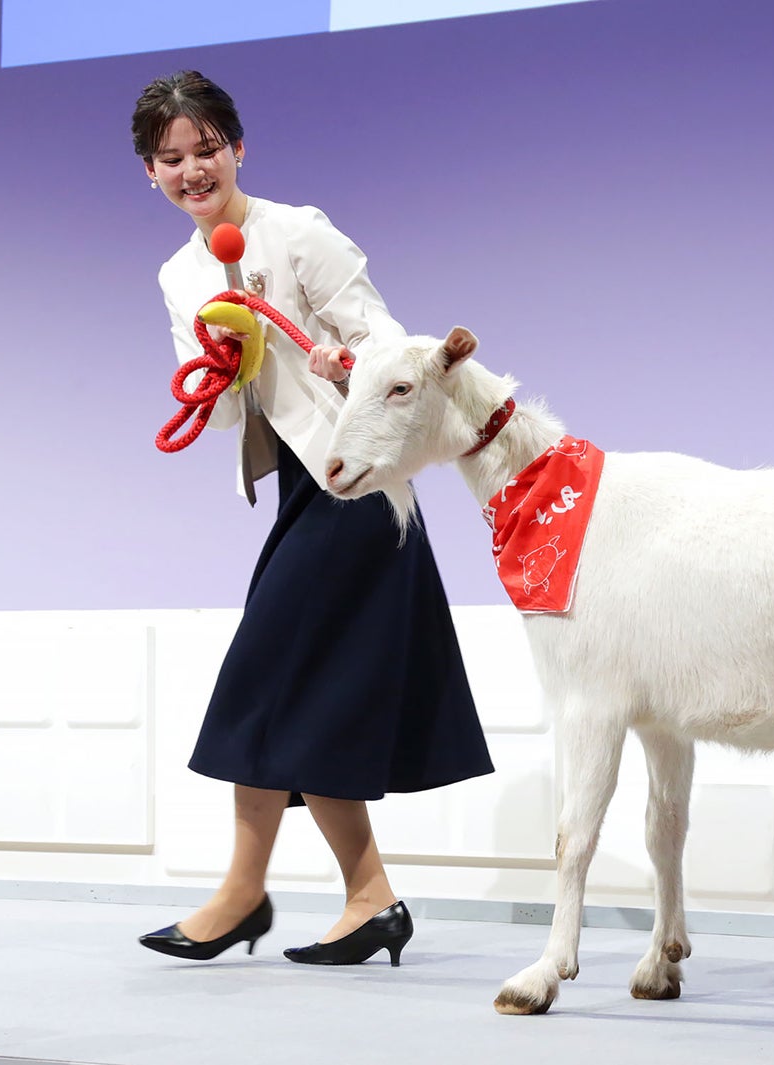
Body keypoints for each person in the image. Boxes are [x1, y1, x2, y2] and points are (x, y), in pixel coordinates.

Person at [130, 70, 493, 966]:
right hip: (299, 490)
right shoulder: (180, 275)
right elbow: (215, 411)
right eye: (170, 158)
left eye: (206, 148)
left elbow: (391, 345)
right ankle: (369, 899)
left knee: (263, 678)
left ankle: (244, 895)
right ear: (149, 173)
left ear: (237, 146)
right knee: (310, 699)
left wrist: (338, 361)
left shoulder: (298, 233)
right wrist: (222, 359)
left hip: (358, 485)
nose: (191, 170)